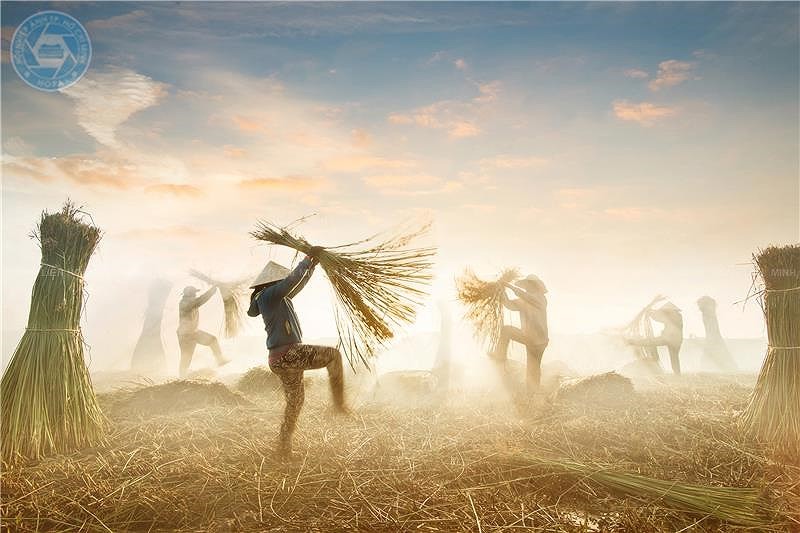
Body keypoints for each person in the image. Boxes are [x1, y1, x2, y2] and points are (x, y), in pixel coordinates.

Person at [247, 251, 347, 457]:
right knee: (334, 356)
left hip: (280, 359)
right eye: (280, 279)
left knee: (295, 402)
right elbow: (292, 280)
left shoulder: (276, 298)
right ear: (272, 280)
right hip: (289, 354)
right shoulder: (268, 295)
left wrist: (312, 265)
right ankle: (339, 405)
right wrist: (306, 259)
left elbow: (297, 284)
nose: (283, 281)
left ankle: (283, 447)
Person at [493, 274, 549, 390]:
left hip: (539, 340)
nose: (527, 287)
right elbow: (508, 304)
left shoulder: (540, 299)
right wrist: (501, 290)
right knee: (533, 368)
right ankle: (532, 393)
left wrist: (509, 286)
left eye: (528, 285)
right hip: (530, 339)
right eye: (526, 286)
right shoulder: (523, 301)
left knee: (533, 368)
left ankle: (533, 392)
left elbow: (526, 296)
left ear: (535, 286)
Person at [177, 284, 229, 377]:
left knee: (211, 341)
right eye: (194, 293)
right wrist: (212, 290)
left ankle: (220, 360)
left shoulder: (189, 302)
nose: (195, 295)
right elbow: (201, 300)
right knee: (186, 357)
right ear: (190, 294)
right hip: (187, 334)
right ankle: (182, 377)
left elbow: (198, 301)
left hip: (191, 332)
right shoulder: (185, 303)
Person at [626, 301, 683, 375]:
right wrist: (651, 311)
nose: (665, 312)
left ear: (670, 311)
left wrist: (650, 312)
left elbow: (659, 318)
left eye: (666, 311)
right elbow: (659, 317)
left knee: (651, 342)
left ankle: (633, 342)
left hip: (670, 339)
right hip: (674, 340)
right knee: (674, 358)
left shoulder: (674, 316)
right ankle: (677, 374)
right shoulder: (676, 315)